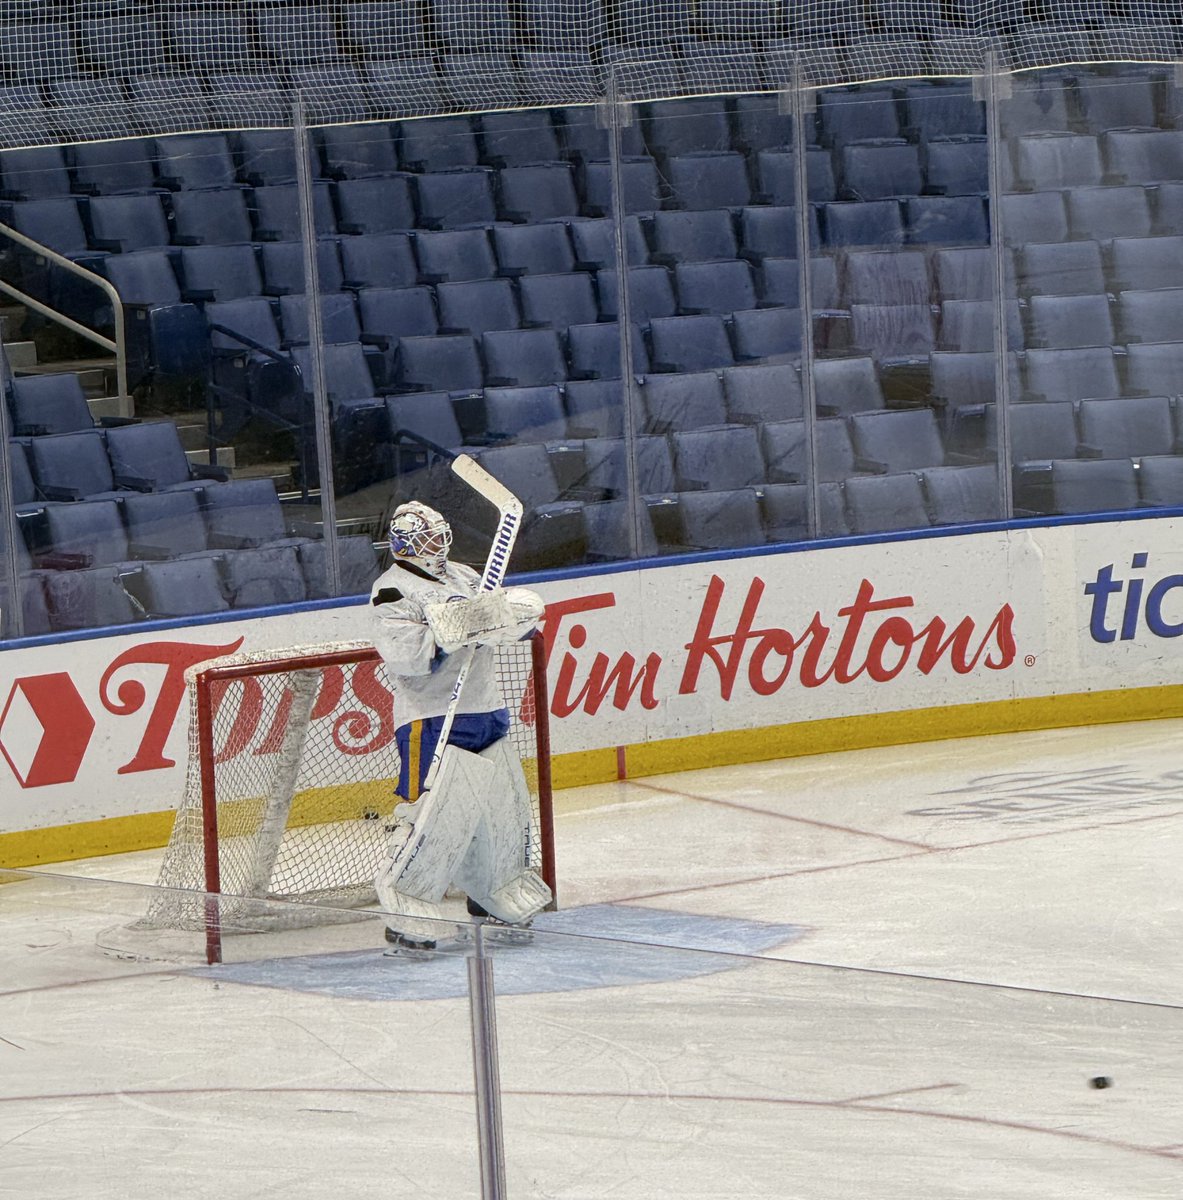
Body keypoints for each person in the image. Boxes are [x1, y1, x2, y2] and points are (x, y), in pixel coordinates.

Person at [369, 500, 551, 954]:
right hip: (431, 719)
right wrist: (463, 627)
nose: (438, 546)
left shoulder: (467, 576)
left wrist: (512, 619)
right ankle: (407, 903)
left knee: (498, 811)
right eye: (428, 540)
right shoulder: (391, 591)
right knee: (430, 815)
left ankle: (493, 891)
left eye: (441, 536)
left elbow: (509, 626)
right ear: (404, 545)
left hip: (486, 708)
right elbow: (410, 659)